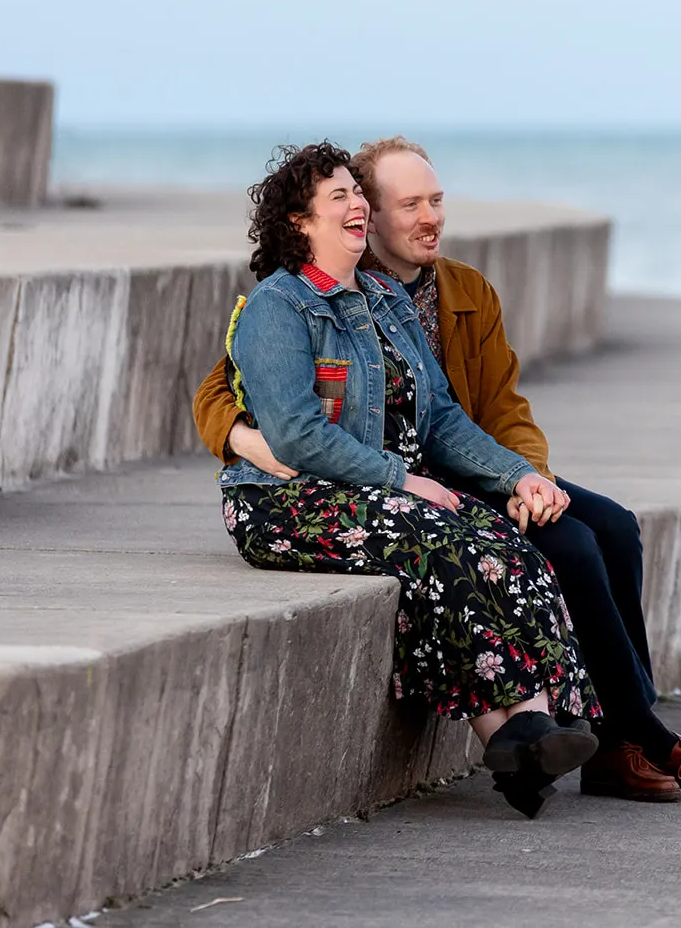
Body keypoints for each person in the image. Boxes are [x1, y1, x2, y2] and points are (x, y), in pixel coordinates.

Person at [196, 137, 681, 803]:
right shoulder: (282, 303)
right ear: (317, 218)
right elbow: (262, 408)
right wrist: (250, 439)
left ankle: (547, 733)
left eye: (435, 200)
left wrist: (523, 477)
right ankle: (597, 732)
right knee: (510, 545)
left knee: (585, 531)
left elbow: (458, 415)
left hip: (418, 477)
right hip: (326, 491)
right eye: (405, 203)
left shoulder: (404, 297)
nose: (427, 216)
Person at [217, 141, 600, 818]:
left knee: (504, 542)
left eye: (357, 193)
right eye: (338, 196)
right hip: (288, 501)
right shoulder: (279, 306)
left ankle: (531, 732)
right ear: (301, 221)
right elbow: (298, 435)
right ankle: (514, 733)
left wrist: (518, 474)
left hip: (377, 493)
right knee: (438, 538)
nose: (357, 205)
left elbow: (442, 417)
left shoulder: (385, 298)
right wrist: (401, 479)